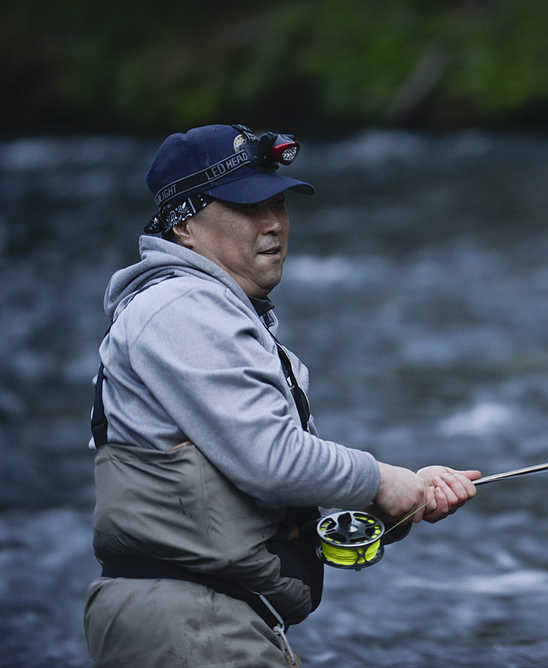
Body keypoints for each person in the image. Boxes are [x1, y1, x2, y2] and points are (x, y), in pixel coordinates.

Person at [83, 123, 480, 667]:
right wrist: (383, 480)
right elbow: (272, 460)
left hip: (213, 620)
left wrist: (395, 505)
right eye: (247, 207)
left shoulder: (203, 310)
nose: (272, 223)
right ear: (183, 227)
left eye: (277, 204)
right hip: (192, 629)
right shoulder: (180, 309)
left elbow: (263, 495)